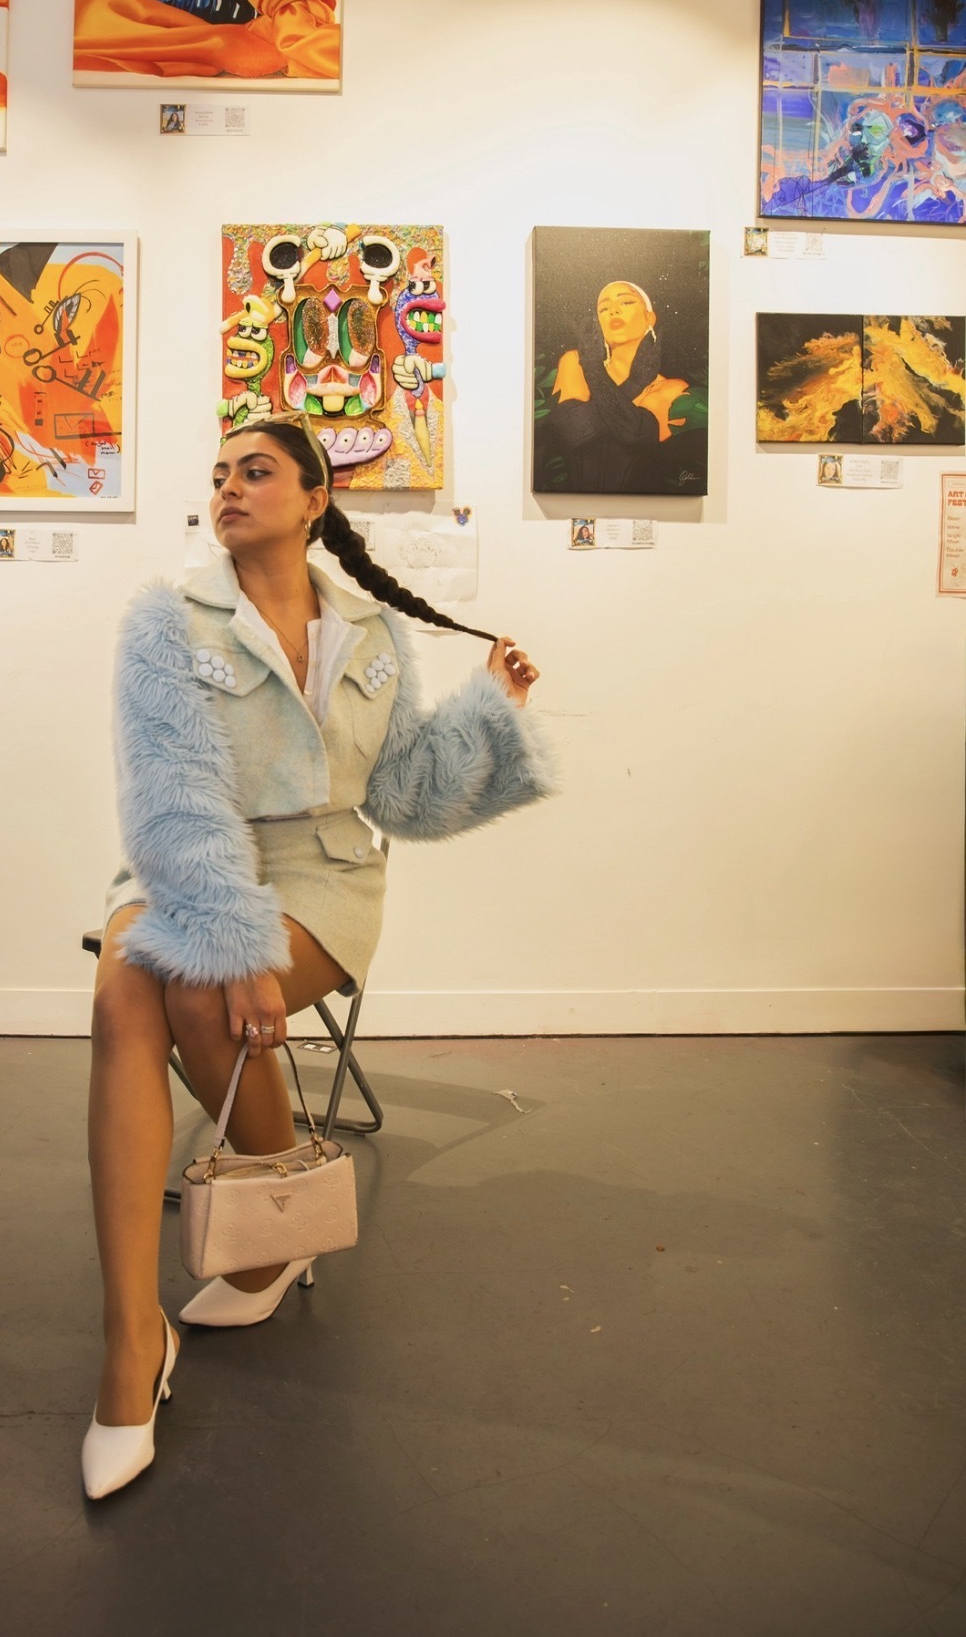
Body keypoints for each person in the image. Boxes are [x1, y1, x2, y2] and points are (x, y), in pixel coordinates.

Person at [81, 411, 555, 1499]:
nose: (228, 487)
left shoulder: (372, 633)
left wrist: (499, 709)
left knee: (191, 992)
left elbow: (405, 793)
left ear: (313, 498)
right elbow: (172, 792)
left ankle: (268, 1235)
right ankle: (132, 1336)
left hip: (326, 875)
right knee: (127, 997)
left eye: (256, 471)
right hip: (189, 858)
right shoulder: (166, 617)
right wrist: (232, 932)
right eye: (219, 472)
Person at [549, 279, 688, 491]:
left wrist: (597, 374)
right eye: (603, 308)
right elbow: (574, 429)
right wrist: (634, 383)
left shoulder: (671, 388)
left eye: (626, 302)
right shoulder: (576, 362)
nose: (613, 311)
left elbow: (633, 432)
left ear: (649, 318)